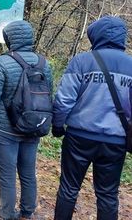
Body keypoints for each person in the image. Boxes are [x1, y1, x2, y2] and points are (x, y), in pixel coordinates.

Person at [52, 16, 132, 220]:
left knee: (69, 188)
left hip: (79, 137)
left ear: (97, 36)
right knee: (107, 194)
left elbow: (64, 100)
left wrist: (58, 125)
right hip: (115, 141)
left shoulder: (82, 61)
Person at [0, 20, 53, 220]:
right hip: (34, 126)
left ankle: (7, 215)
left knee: (7, 175)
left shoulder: (2, 62)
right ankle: (27, 212)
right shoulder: (44, 63)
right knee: (28, 171)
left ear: (10, 39)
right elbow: (49, 96)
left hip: (6, 129)